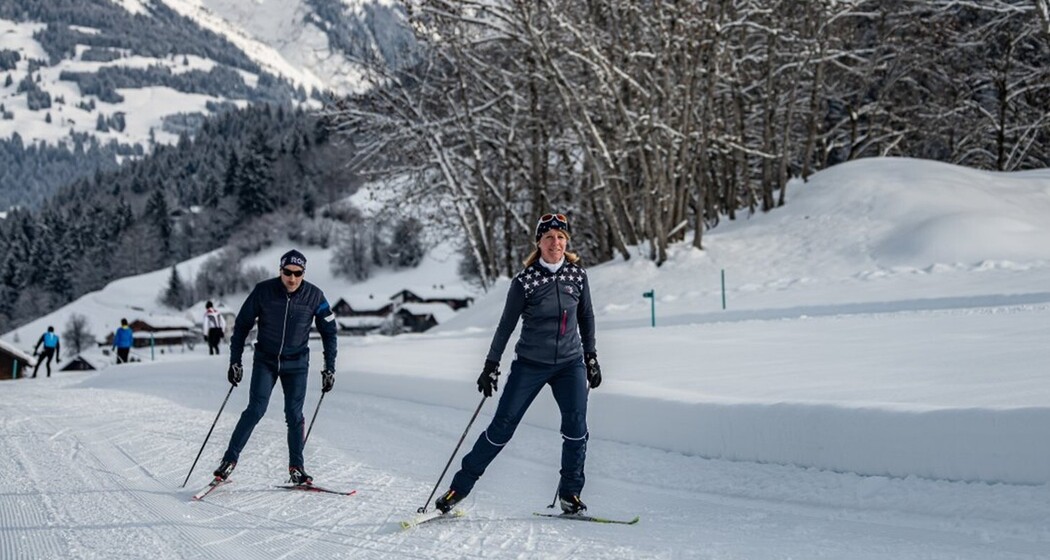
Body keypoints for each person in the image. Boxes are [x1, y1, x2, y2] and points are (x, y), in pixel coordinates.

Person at [434, 212, 601, 515]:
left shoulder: (578, 276)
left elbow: (586, 317)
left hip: (570, 363)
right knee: (502, 427)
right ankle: (459, 488)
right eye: (549, 237)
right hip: (530, 364)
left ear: (567, 242)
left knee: (576, 429)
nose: (555, 243)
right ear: (539, 242)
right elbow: (505, 326)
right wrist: (491, 365)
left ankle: (570, 495)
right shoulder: (525, 281)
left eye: (561, 237)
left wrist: (591, 356)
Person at [212, 249, 338, 486]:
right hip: (266, 361)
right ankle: (228, 461)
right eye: (287, 272)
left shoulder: (315, 296)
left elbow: (329, 333)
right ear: (280, 271)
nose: (292, 278)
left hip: (297, 364)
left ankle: (296, 468)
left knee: (294, 415)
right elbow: (241, 326)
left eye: (298, 273)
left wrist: (329, 368)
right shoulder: (263, 291)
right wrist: (235, 361)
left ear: (304, 273)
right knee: (255, 409)